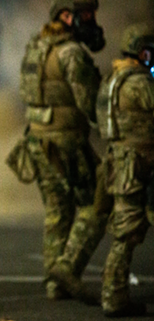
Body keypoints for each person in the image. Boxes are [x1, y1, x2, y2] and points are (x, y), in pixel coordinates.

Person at [10, 0, 108, 301]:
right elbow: (89, 103)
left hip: (37, 141)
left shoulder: (37, 48)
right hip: (66, 143)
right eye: (86, 15)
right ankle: (67, 268)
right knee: (96, 204)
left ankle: (55, 282)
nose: (91, 21)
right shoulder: (71, 53)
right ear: (66, 16)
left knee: (57, 211)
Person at [95, 23, 154, 317]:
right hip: (139, 164)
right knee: (128, 232)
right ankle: (114, 298)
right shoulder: (140, 82)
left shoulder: (112, 80)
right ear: (143, 52)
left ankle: (114, 296)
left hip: (120, 162)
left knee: (125, 232)